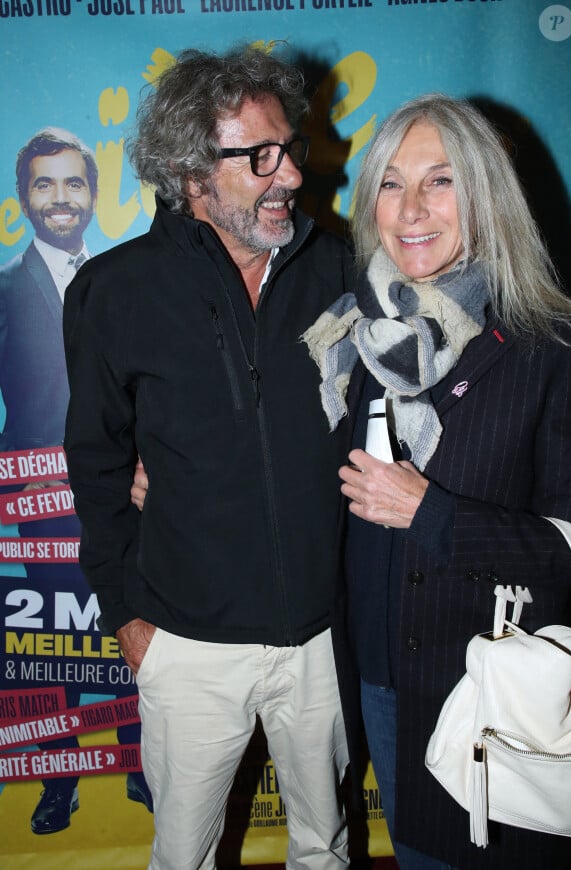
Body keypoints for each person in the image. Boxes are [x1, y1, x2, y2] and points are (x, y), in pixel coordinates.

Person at [63, 46, 354, 870]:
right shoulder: (114, 291)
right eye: (257, 156)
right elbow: (94, 461)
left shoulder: (339, 268)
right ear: (193, 170)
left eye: (290, 148)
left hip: (321, 640)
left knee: (324, 849)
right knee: (181, 858)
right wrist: (127, 612)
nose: (290, 174)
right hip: (185, 645)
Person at [303, 94, 571, 870]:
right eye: (391, 184)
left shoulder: (551, 346)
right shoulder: (354, 337)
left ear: (487, 196)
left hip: (493, 695)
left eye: (441, 181)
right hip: (381, 682)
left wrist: (434, 514)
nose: (412, 208)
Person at [0, 128, 152, 833]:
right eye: (43, 183)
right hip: (38, 504)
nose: (60, 198)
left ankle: (138, 766)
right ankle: (57, 780)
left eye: (73, 183)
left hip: (129, 498)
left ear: (93, 193)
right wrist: (14, 478)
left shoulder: (126, 280)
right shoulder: (3, 290)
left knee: (127, 623)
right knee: (52, 646)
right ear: (24, 196)